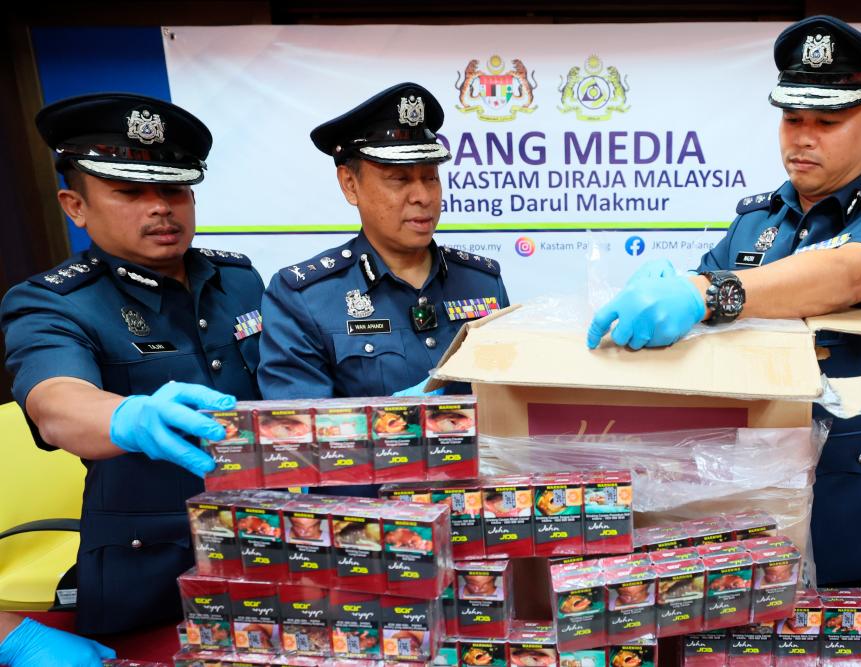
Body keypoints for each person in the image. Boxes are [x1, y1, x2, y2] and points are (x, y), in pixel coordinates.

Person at [587, 16, 861, 586]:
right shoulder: (754, 223)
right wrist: (676, 288)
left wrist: (712, 292)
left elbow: (850, 273)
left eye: (827, 121)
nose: (803, 137)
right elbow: (694, 314)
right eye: (792, 118)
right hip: (750, 507)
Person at [0, 93, 264, 643]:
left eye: (173, 190)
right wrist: (129, 417)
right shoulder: (51, 302)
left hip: (264, 541)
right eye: (128, 192)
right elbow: (56, 400)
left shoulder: (239, 279)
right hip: (149, 567)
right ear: (75, 206)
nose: (160, 208)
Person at [257, 82, 509, 400]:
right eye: (399, 179)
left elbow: (509, 400)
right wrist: (388, 422)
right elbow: (298, 431)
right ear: (350, 185)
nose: (422, 196)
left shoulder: (482, 282)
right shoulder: (303, 298)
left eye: (430, 177)